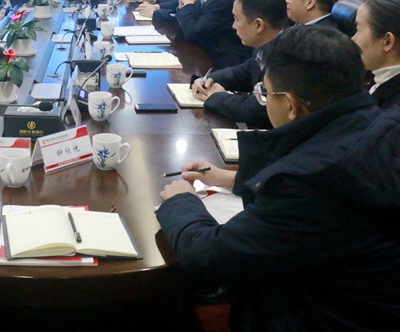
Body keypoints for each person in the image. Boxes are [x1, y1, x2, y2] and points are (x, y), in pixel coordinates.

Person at [157, 25, 400, 331]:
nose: (264, 100)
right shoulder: (375, 122)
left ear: (290, 105)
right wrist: (230, 179)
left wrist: (181, 201)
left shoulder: (310, 182)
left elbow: (208, 258)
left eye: (265, 93)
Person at [192, 0, 288, 127]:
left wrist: (215, 97)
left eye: (237, 19)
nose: (233, 26)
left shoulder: (286, 57)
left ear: (258, 25)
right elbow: (243, 72)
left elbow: (255, 109)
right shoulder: (267, 43)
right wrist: (210, 79)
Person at [173, 0, 252, 69]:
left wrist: (188, 5)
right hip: (205, 54)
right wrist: (183, 6)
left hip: (222, 62)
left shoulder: (222, 1)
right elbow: (188, 28)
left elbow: (192, 33)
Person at [352, 0, 400, 109]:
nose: (352, 39)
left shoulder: (393, 109)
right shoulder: (379, 79)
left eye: (359, 30)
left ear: (387, 42)